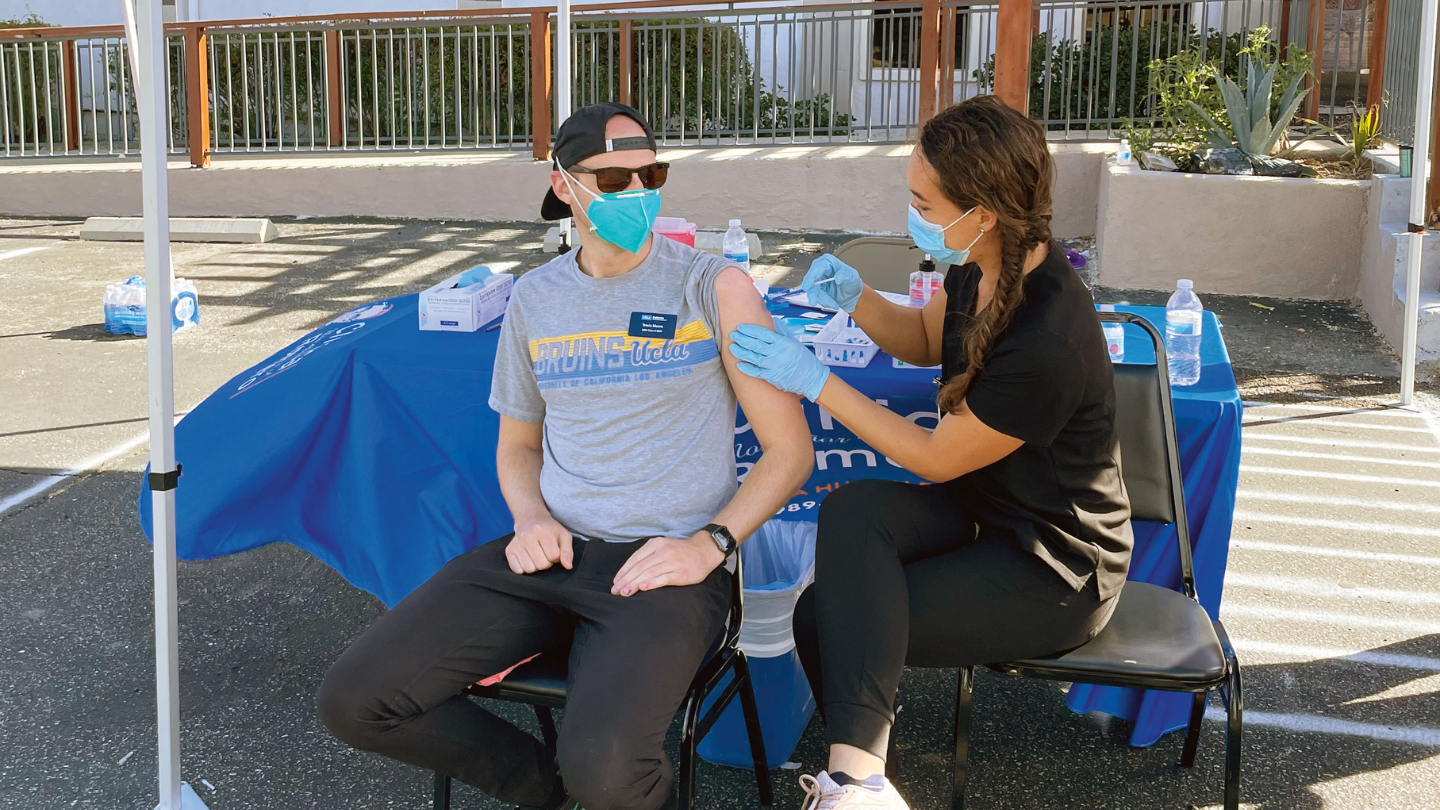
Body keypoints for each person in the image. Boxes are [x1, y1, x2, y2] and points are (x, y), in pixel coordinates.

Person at [317, 103, 814, 810]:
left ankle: (594, 790)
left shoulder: (715, 286)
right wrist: (527, 517)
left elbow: (790, 451)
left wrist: (709, 546)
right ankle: (549, 793)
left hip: (667, 567)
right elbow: (518, 445)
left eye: (652, 174)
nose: (637, 192)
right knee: (355, 701)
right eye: (613, 179)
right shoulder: (535, 297)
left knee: (609, 770)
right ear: (564, 185)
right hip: (551, 553)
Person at [727, 95, 1133, 810]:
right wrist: (854, 297)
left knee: (825, 618)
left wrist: (815, 381)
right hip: (984, 514)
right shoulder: (980, 263)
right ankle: (865, 777)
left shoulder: (1049, 337)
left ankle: (855, 783)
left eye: (921, 199)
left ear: (981, 211)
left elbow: (936, 458)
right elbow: (921, 339)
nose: (908, 211)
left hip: (1053, 565)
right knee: (852, 514)